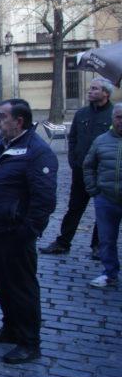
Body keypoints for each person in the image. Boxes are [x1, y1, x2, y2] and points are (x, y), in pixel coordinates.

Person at [0, 98, 57, 364]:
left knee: (22, 287)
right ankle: (10, 328)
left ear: (19, 121)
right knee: (3, 283)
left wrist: (28, 231)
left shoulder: (37, 152)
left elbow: (44, 199)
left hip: (16, 233)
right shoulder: (3, 145)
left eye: (2, 117)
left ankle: (29, 342)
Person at [40, 78, 114, 257]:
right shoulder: (82, 113)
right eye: (90, 89)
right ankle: (63, 242)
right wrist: (73, 160)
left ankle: (98, 245)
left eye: (95, 89)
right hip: (81, 170)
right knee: (74, 208)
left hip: (102, 172)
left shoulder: (114, 114)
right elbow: (72, 138)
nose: (90, 92)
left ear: (106, 93)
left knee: (102, 210)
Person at [83, 103, 122, 288]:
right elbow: (88, 165)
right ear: (113, 119)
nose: (121, 121)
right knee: (107, 239)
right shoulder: (101, 140)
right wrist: (93, 189)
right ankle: (110, 273)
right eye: (119, 117)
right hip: (106, 198)